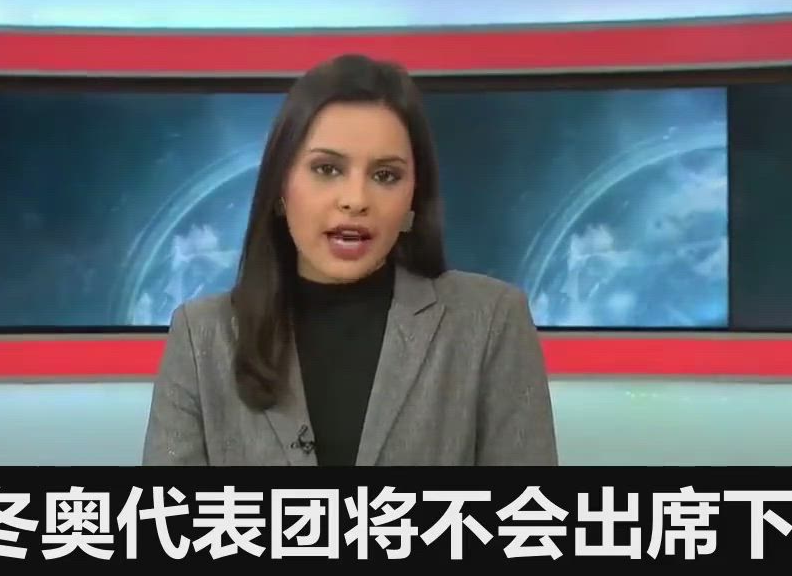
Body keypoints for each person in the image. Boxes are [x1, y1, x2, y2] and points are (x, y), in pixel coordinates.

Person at [142, 54, 557, 466]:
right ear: (281, 187)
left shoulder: (490, 322)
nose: (356, 200)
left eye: (385, 176)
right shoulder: (201, 337)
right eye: (327, 169)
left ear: (413, 196)